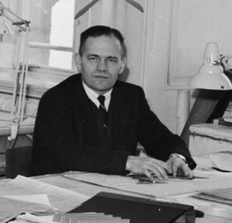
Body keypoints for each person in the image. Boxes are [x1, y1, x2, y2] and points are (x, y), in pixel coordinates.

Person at [30, 25, 194, 178]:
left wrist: (177, 156)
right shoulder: (56, 99)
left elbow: (162, 139)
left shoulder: (132, 96)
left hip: (110, 188)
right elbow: (68, 155)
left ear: (122, 65)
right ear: (79, 61)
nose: (102, 67)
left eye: (111, 60)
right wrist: (128, 162)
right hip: (58, 188)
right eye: (93, 58)